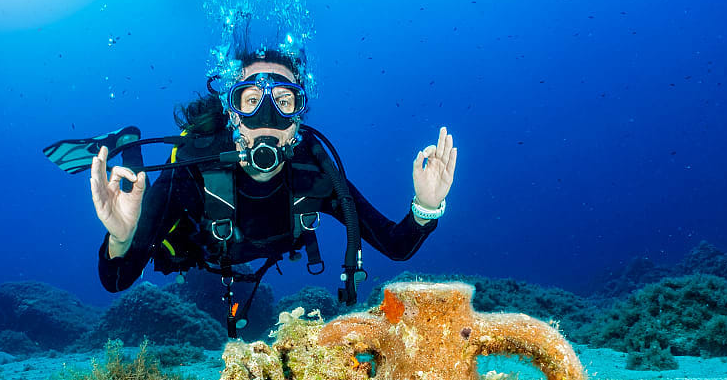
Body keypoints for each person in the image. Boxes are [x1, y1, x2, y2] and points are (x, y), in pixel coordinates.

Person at [85, 48, 457, 335]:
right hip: (202, 251)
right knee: (143, 203)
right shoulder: (192, 172)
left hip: (243, 245)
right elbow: (116, 281)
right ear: (232, 114)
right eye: (250, 101)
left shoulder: (315, 172)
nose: (266, 116)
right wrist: (120, 237)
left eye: (283, 101)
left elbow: (396, 245)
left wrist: (427, 206)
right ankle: (128, 146)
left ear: (297, 119)